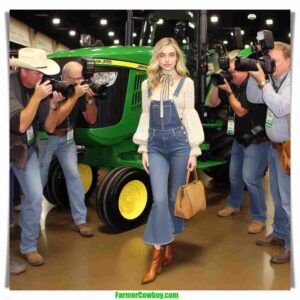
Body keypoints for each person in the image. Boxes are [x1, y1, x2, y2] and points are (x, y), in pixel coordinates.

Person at [133, 37, 204, 284]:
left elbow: (191, 116)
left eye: (171, 55)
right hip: (155, 145)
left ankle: (169, 240)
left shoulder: (187, 84)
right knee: (159, 200)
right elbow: (145, 116)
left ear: (177, 58)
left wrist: (193, 151)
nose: (166, 60)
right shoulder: (146, 85)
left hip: (179, 145)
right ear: (157, 58)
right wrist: (143, 148)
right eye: (162, 55)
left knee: (175, 199)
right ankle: (156, 255)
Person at [208, 50, 269, 234]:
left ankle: (259, 217)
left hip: (256, 140)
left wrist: (229, 92)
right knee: (234, 175)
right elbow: (212, 103)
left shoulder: (253, 85)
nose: (232, 74)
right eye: (230, 70)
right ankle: (234, 204)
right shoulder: (232, 84)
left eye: (236, 70)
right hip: (238, 138)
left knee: (250, 179)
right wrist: (218, 83)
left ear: (246, 69)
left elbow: (241, 111)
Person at [10, 47, 61, 266]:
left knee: (34, 195)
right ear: (22, 70)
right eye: (36, 71)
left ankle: (29, 246)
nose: (41, 76)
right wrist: (38, 97)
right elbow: (20, 124)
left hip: (26, 150)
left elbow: (49, 128)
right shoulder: (8, 86)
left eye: (42, 71)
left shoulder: (40, 90)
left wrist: (52, 106)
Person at [40, 61, 97, 237]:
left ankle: (80, 220)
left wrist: (89, 100)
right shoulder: (53, 89)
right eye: (76, 78)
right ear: (65, 77)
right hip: (47, 138)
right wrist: (74, 97)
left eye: (82, 78)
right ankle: (31, 221)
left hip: (67, 139)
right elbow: (54, 122)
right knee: (38, 180)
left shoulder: (78, 91)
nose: (80, 82)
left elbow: (92, 119)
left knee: (74, 176)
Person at [246, 42, 291, 264]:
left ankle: (291, 247)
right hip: (275, 147)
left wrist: (264, 81)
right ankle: (280, 233)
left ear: (290, 60)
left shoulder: (293, 81)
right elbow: (254, 98)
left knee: (290, 201)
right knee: (277, 195)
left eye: (275, 61)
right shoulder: (275, 79)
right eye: (268, 60)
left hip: (289, 150)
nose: (270, 64)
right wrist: (258, 73)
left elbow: (281, 107)